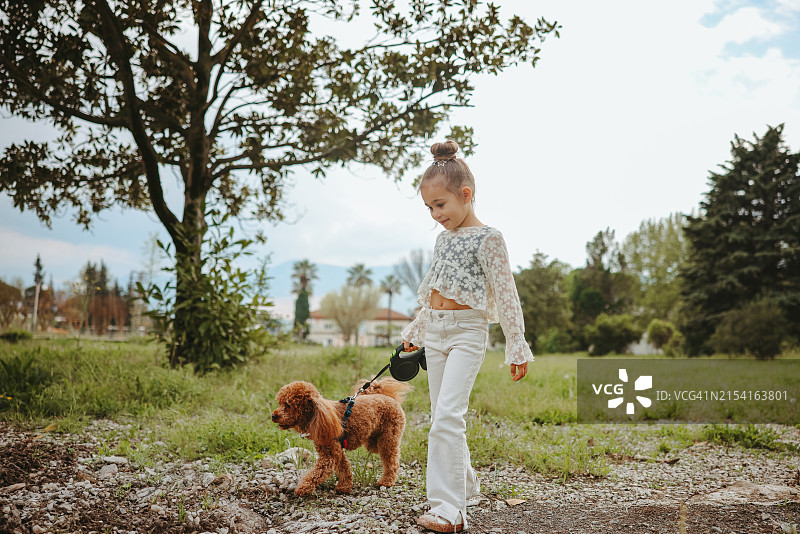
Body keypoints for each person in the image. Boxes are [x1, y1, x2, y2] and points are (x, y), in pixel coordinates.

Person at [401, 140, 535, 533]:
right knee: (443, 414)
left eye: (440, 204)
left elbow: (506, 293)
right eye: (428, 208)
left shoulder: (489, 238)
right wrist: (416, 332)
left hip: (467, 334)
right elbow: (434, 293)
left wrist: (516, 343)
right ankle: (467, 484)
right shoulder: (442, 240)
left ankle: (449, 509)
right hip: (437, 332)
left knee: (446, 416)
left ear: (466, 195)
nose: (435, 214)